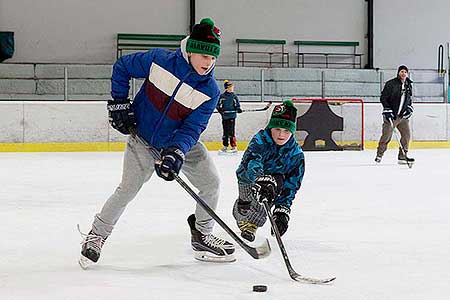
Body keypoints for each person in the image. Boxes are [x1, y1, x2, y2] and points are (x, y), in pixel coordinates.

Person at [79, 18, 236, 267]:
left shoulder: (210, 91)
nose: (209, 63)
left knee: (211, 183)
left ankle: (202, 235)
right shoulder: (159, 61)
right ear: (191, 50)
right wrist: (119, 102)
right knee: (127, 189)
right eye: (205, 55)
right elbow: (122, 67)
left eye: (214, 57)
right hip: (143, 139)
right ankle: (96, 235)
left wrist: (176, 152)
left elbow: (192, 128)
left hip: (180, 143)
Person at [232, 100, 305, 242]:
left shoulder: (296, 155)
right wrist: (260, 178)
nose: (281, 135)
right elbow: (252, 162)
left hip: (274, 184)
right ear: (270, 127)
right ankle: (243, 210)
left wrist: (282, 211)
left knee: (270, 192)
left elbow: (291, 186)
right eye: (277, 129)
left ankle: (252, 223)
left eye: (286, 130)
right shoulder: (260, 140)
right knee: (245, 207)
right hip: (248, 178)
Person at [375, 65, 415, 164]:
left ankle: (402, 156)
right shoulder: (391, 84)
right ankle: (379, 155)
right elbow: (383, 98)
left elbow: (409, 99)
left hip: (403, 117)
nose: (403, 73)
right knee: (386, 136)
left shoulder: (408, 84)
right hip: (392, 116)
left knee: (406, 135)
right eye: (402, 71)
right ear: (398, 73)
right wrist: (387, 109)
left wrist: (409, 108)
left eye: (405, 72)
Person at [217, 80, 242, 153]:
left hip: (232, 116)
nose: (231, 89)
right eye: (230, 87)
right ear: (226, 88)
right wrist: (220, 110)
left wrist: (238, 109)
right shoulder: (222, 96)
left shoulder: (234, 96)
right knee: (225, 132)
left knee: (231, 132)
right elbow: (218, 104)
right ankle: (225, 146)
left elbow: (237, 105)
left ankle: (234, 146)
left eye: (232, 87)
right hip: (225, 116)